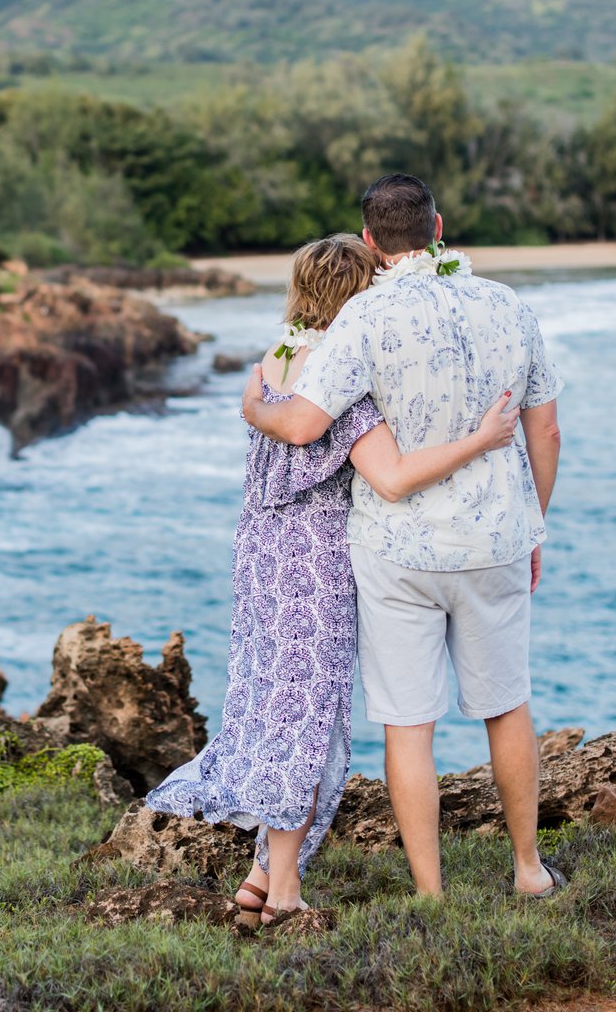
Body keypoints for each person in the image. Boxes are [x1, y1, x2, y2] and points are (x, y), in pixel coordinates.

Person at [146, 232, 525, 928]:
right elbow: (392, 475)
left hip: (261, 554)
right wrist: (482, 439)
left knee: (276, 705)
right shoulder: (343, 381)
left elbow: (261, 415)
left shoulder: (277, 355)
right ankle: (285, 883)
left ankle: (262, 875)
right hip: (314, 567)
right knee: (309, 724)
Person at [241, 174, 566, 901]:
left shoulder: (363, 318)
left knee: (407, 723)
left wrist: (253, 405)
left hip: (397, 550)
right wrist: (532, 520)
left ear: (369, 241)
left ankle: (430, 892)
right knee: (506, 703)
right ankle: (527, 871)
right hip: (496, 540)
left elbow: (301, 424)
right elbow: (544, 429)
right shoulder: (509, 307)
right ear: (438, 227)